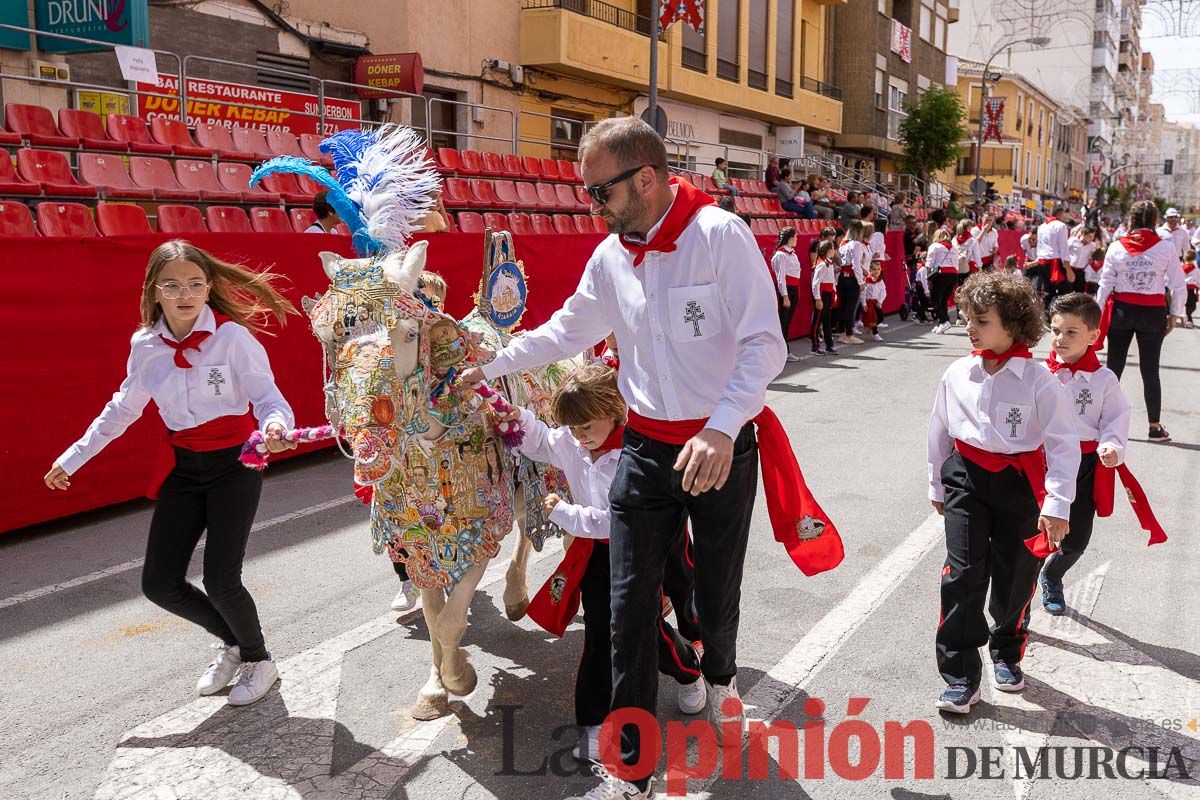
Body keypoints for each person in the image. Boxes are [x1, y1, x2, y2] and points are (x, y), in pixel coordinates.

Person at [458, 117, 789, 800]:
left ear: (645, 177)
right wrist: (488, 364)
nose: (590, 205)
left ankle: (721, 680)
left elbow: (765, 345)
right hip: (644, 448)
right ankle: (632, 760)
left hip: (723, 447)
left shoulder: (720, 237)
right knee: (627, 603)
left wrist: (724, 428)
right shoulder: (610, 257)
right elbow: (564, 331)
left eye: (598, 191)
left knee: (713, 591)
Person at [43, 240, 298, 706]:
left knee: (222, 578)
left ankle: (260, 659)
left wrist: (276, 424)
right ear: (154, 291)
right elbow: (122, 409)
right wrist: (73, 457)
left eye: (196, 284)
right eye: (174, 285)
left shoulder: (232, 338)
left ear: (208, 288)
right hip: (184, 466)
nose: (186, 293)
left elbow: (269, 398)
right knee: (159, 583)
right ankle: (237, 645)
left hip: (236, 464)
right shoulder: (145, 346)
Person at [511, 364, 706, 762]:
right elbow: (543, 441)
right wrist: (514, 417)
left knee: (642, 630)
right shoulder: (573, 440)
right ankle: (595, 721)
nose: (579, 438)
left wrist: (565, 514)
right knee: (600, 634)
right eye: (573, 428)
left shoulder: (636, 452)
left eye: (586, 427)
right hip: (596, 557)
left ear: (613, 409)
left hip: (637, 551)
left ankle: (688, 669)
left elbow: (617, 521)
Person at [927, 271, 1079, 714]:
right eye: (967, 318)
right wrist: (936, 482)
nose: (970, 328)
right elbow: (938, 430)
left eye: (982, 320)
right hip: (966, 478)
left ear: (1013, 325)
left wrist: (1057, 505)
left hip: (1019, 483)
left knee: (1016, 574)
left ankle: (1006, 651)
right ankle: (959, 674)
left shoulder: (1038, 380)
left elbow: (1063, 446)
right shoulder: (958, 373)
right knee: (963, 572)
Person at [1039, 293, 1131, 616]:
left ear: (1094, 335)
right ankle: (1019, 602)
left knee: (1075, 541)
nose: (1059, 339)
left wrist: (1112, 445)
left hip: (1085, 465)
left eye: (1070, 332)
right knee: (1032, 534)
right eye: (1055, 330)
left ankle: (1052, 574)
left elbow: (1116, 417)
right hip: (1043, 464)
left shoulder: (1104, 380)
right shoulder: (1041, 373)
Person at [1096, 201, 1187, 443]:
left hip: (1122, 311)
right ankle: (1154, 426)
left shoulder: (1116, 247)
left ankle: (1101, 420)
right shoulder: (1165, 248)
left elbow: (1105, 284)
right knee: (1150, 370)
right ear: (1155, 220)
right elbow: (1179, 284)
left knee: (1114, 366)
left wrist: (1095, 316)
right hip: (1152, 312)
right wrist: (1175, 314)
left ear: (1132, 220)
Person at [771, 227, 803, 361]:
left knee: (787, 322)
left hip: (794, 288)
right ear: (790, 238)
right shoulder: (781, 255)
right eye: (795, 237)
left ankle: (783, 351)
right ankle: (782, 352)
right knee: (783, 322)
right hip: (787, 289)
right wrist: (785, 296)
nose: (797, 239)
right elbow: (781, 278)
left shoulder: (792, 253)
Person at [1034, 205, 1073, 312]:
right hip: (1054, 263)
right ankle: (1057, 312)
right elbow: (1063, 247)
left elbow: (1039, 245)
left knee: (1048, 290)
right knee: (1065, 291)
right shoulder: (1061, 226)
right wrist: (1068, 268)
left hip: (1042, 261)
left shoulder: (1042, 226)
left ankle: (1045, 312)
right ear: (1060, 214)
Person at [836, 220, 867, 344]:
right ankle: (849, 334)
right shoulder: (856, 244)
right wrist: (860, 282)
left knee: (843, 306)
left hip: (842, 277)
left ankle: (842, 333)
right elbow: (856, 265)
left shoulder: (843, 243)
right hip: (851, 279)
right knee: (851, 307)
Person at [926, 228, 958, 334]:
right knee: (943, 300)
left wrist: (928, 278)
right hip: (953, 275)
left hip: (941, 275)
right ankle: (941, 323)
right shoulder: (954, 248)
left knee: (934, 300)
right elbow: (956, 264)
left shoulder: (934, 246)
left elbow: (929, 263)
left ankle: (944, 321)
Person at [810, 240, 839, 355]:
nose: (834, 251)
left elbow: (831, 281)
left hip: (828, 293)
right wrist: (818, 298)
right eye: (832, 248)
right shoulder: (822, 264)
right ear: (828, 250)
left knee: (827, 320)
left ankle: (829, 345)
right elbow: (815, 283)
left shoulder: (829, 263)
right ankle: (814, 346)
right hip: (822, 294)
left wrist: (834, 293)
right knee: (817, 321)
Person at [862, 256, 887, 342]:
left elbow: (883, 291)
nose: (876, 271)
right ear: (870, 270)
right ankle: (875, 333)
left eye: (878, 269)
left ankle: (871, 327)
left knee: (880, 318)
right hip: (869, 302)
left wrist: (880, 301)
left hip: (876, 302)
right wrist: (864, 304)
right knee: (873, 318)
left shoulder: (880, 280)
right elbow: (863, 293)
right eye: (874, 269)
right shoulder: (867, 280)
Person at [1067, 226, 1099, 294]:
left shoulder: (1092, 246)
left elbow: (1093, 257)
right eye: (1090, 236)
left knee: (1079, 291)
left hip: (1081, 271)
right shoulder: (1072, 241)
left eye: (1093, 236)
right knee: (1067, 290)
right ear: (1083, 234)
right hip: (1070, 269)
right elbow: (1064, 253)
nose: (1092, 238)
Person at [1184, 249, 1199, 328]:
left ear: (1184, 258)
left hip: (1182, 289)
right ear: (1194, 259)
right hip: (1190, 290)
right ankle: (1188, 318)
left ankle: (1187, 317)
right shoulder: (1196, 270)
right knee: (1191, 306)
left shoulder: (1180, 268)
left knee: (1186, 305)